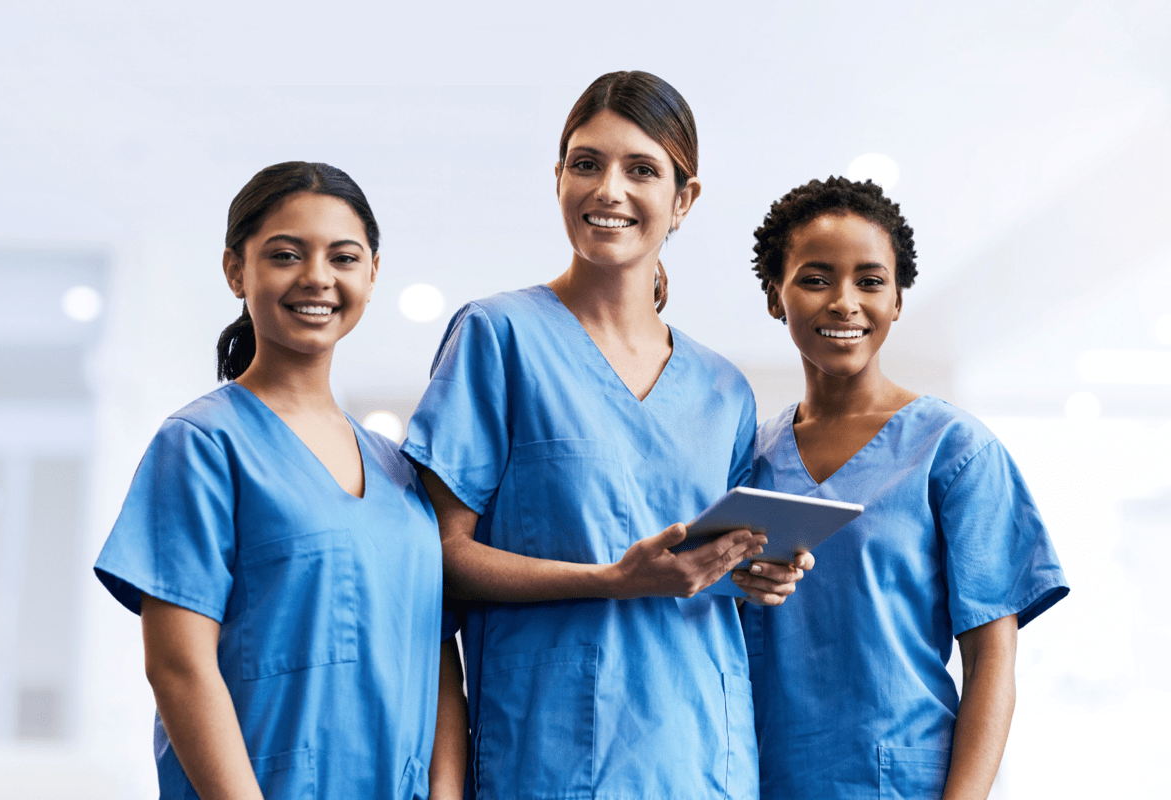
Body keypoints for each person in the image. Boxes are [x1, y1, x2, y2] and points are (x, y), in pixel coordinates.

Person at [401, 71, 810, 800]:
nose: (608, 190)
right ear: (557, 177)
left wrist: (757, 573)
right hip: (548, 759)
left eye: (642, 169)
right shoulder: (499, 338)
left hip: (702, 759)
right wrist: (611, 581)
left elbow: (720, 572)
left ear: (683, 200)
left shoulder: (724, 390)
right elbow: (434, 559)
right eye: (586, 164)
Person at [94, 161, 467, 800]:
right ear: (237, 270)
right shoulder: (202, 445)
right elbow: (179, 667)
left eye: (343, 257)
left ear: (372, 274)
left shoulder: (400, 473)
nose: (317, 278)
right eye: (287, 255)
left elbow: (434, 660)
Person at [739, 176, 1069, 800]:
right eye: (815, 278)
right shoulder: (752, 457)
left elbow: (992, 661)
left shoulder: (953, 449)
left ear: (896, 300)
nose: (844, 302)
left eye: (870, 281)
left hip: (901, 783)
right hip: (760, 777)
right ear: (774, 296)